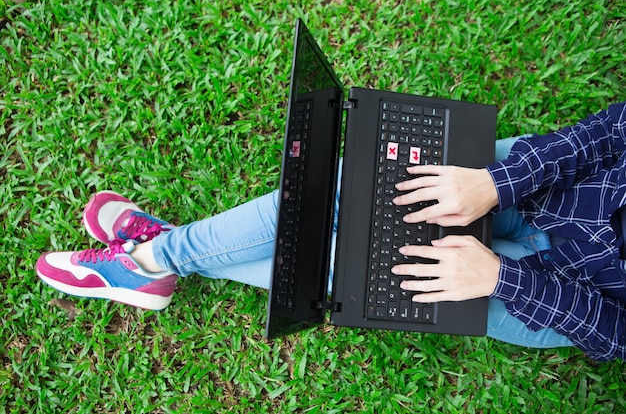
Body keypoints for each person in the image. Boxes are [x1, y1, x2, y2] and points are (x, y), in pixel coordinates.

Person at [36, 102, 626, 361]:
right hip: (544, 186)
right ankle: (160, 258)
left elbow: (615, 336)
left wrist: (500, 277)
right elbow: (617, 127)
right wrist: (499, 181)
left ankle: (150, 260)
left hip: (560, 297)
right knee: (335, 187)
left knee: (344, 263)